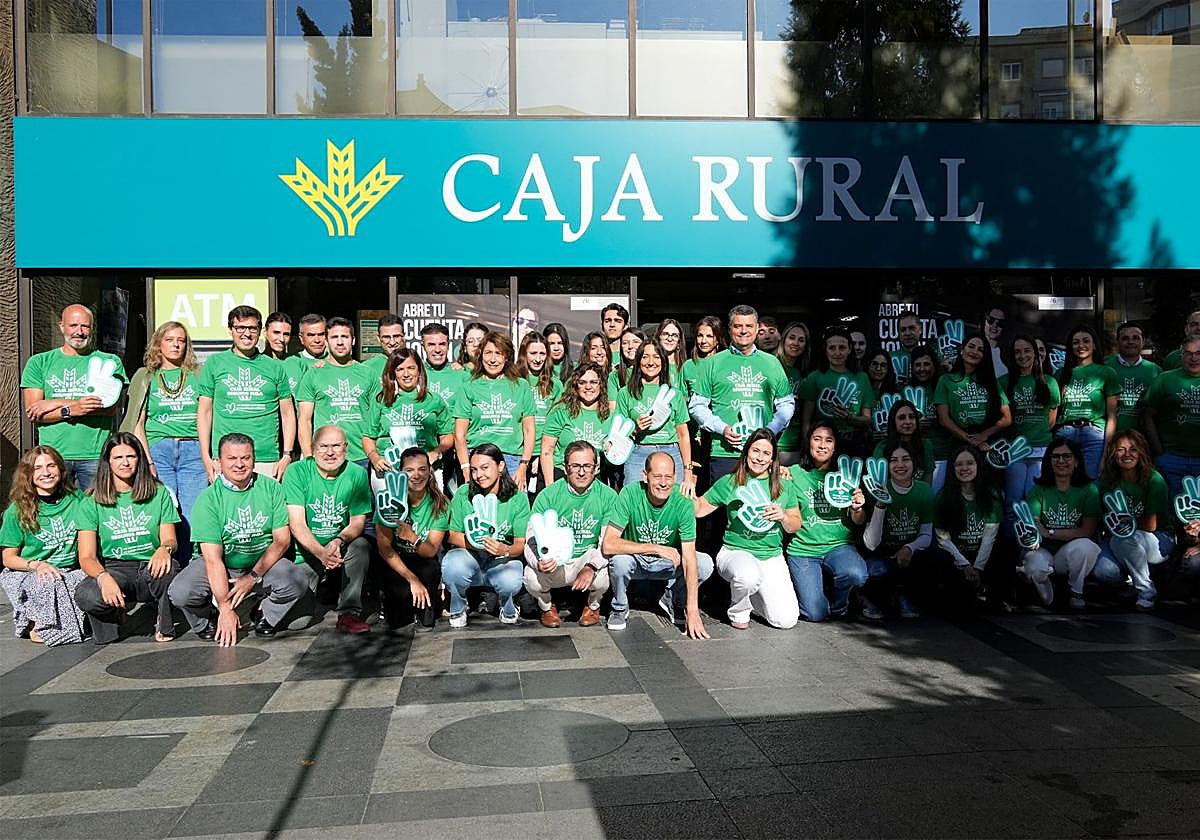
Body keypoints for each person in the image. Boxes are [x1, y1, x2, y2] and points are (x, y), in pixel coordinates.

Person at [169, 433, 304, 644]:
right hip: (221, 563)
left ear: (253, 459)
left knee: (296, 580)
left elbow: (282, 541)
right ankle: (208, 618)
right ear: (218, 462)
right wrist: (224, 607)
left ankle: (264, 613)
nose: (239, 464)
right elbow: (213, 559)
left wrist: (252, 577)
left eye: (246, 458)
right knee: (180, 592)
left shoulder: (272, 488)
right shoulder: (208, 499)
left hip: (261, 562)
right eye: (232, 459)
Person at [74, 434, 180, 644]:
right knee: (87, 594)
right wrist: (103, 578)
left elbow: (170, 539)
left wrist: (164, 549)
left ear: (139, 459)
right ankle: (113, 617)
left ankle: (165, 623)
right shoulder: (91, 501)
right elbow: (86, 557)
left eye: (131, 456)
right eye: (118, 457)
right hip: (114, 568)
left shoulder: (158, 493)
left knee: (171, 569)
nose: (125, 462)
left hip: (150, 564)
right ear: (108, 461)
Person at [693, 429, 802, 629]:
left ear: (772, 459)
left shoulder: (783, 484)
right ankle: (739, 611)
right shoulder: (730, 481)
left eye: (766, 453)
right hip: (736, 552)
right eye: (755, 451)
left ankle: (755, 601)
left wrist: (784, 516)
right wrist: (684, 494)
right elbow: (699, 508)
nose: (759, 458)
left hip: (771, 556)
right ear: (746, 452)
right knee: (747, 575)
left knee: (786, 620)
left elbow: (795, 524)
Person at [123, 320, 207, 562]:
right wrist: (148, 462)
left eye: (181, 340)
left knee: (193, 513)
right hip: (159, 449)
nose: (176, 345)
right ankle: (170, 567)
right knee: (167, 510)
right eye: (170, 340)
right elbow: (137, 422)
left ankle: (193, 568)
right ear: (158, 344)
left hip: (193, 449)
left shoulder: (198, 374)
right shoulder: (145, 376)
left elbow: (208, 414)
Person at [604, 452, 712, 638]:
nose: (663, 483)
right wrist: (655, 547)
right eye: (657, 476)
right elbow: (609, 544)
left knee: (704, 564)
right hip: (635, 560)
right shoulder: (630, 493)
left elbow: (689, 557)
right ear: (645, 476)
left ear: (675, 477)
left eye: (668, 477)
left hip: (668, 563)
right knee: (619, 561)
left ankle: (675, 600)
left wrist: (693, 610)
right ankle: (619, 607)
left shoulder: (683, 502)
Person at [21, 304, 128, 490]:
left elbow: (111, 406)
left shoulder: (109, 362)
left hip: (95, 455)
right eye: (73, 326)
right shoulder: (39, 362)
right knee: (57, 515)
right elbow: (34, 412)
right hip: (53, 457)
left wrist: (52, 403)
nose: (79, 332)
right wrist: (71, 408)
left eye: (85, 326)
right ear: (61, 326)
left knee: (96, 513)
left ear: (92, 329)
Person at [690, 305, 794, 483]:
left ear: (756, 329)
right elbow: (697, 405)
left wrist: (770, 431)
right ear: (729, 329)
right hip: (724, 453)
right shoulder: (713, 363)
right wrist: (721, 428)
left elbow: (786, 404)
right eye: (738, 326)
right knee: (723, 508)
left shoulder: (772, 363)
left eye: (749, 326)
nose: (744, 331)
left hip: (763, 454)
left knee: (761, 507)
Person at [284, 425, 372, 634]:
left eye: (335, 446)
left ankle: (349, 612)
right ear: (313, 449)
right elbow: (297, 524)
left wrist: (339, 540)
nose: (330, 452)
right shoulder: (297, 471)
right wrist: (321, 553)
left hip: (339, 549)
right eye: (323, 446)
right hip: (306, 552)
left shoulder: (357, 473)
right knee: (296, 623)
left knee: (361, 546)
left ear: (346, 448)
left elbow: (357, 522)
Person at [0, 446, 89, 645]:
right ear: (28, 474)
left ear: (61, 469)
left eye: (51, 465)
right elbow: (8, 558)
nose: (46, 472)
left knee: (86, 580)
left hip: (70, 569)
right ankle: (40, 624)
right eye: (38, 468)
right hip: (29, 571)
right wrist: (37, 565)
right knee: (48, 582)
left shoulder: (78, 500)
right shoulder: (16, 510)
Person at [197, 306, 295, 482]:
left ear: (260, 331)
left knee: (266, 509)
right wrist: (206, 456)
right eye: (240, 328)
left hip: (266, 458)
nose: (247, 334)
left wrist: (287, 454)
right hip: (226, 458)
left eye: (252, 328)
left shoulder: (274, 367)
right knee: (227, 509)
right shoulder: (214, 364)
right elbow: (205, 412)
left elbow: (287, 413)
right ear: (230, 330)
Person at [524, 441, 615, 628]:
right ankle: (547, 607)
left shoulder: (608, 496)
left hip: (587, 557)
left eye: (587, 466)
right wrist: (539, 562)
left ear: (596, 468)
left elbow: (608, 541)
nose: (581, 472)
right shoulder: (549, 495)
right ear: (565, 468)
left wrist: (591, 566)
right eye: (575, 466)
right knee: (531, 577)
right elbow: (530, 538)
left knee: (607, 573)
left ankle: (593, 605)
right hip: (556, 561)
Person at [784, 423, 869, 622]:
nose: (822, 445)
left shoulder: (847, 475)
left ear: (835, 446)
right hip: (803, 550)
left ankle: (840, 604)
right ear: (808, 443)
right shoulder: (793, 473)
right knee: (815, 614)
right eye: (817, 439)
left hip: (838, 547)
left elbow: (859, 521)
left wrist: (857, 508)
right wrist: (778, 473)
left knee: (856, 574)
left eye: (829, 440)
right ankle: (816, 595)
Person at [442, 444, 531, 628]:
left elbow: (520, 543)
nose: (478, 475)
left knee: (511, 580)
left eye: (484, 468)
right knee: (452, 565)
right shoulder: (463, 493)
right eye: (474, 470)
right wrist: (476, 543)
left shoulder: (517, 497)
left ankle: (507, 604)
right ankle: (458, 606)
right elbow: (452, 535)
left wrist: (504, 549)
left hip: (501, 558)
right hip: (470, 555)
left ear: (500, 466)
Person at [1093, 431, 1173, 610]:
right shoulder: (1107, 482)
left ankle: (1146, 590)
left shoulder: (1154, 479)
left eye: (1133, 449)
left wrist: (1123, 523)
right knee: (1103, 571)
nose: (1127, 454)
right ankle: (1129, 585)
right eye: (1120, 450)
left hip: (1158, 538)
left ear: (1142, 452)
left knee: (1125, 537)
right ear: (1113, 454)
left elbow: (1151, 525)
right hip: (1119, 538)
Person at [1020, 438, 1102, 610]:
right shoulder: (1038, 489)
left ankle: (1076, 591)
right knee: (1034, 565)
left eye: (1067, 456)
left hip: (1070, 551)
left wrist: (1049, 532)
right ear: (1048, 462)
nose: (1061, 461)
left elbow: (1086, 531)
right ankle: (1048, 592)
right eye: (1055, 457)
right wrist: (1038, 533)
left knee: (1086, 547)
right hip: (1044, 550)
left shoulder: (1089, 490)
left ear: (1077, 461)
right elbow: (1033, 525)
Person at [375, 448, 450, 630]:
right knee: (396, 621)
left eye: (422, 469)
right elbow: (385, 549)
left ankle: (427, 602)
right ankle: (393, 601)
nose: (416, 475)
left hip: (423, 560)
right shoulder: (387, 501)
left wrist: (412, 537)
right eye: (409, 470)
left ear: (429, 472)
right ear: (400, 473)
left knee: (427, 621)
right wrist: (412, 580)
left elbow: (431, 550)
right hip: (396, 561)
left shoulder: (439, 503)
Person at [452, 331, 536, 490]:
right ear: (480, 355)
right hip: (476, 460)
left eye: (498, 353)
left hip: (511, 461)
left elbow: (529, 429)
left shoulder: (521, 386)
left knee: (512, 511)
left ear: (507, 357)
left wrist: (523, 465)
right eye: (488, 353)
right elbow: (459, 434)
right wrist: (465, 467)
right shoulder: (468, 386)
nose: (492, 359)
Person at [862, 442, 936, 619]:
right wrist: (880, 505)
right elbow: (871, 543)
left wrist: (910, 547)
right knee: (876, 569)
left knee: (932, 563)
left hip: (912, 550)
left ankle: (905, 595)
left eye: (905, 459)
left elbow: (927, 533)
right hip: (883, 549)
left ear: (914, 464)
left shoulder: (924, 490)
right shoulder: (878, 489)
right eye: (893, 460)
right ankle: (872, 598)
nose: (900, 465)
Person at [363, 348, 453, 490]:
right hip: (388, 470)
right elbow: (368, 437)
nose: (406, 374)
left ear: (419, 371)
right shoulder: (381, 400)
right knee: (392, 512)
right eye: (400, 369)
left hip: (426, 470)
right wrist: (374, 457)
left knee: (430, 511)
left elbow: (447, 437)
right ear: (392, 373)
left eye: (411, 368)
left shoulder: (434, 400)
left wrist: (436, 452)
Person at [933, 331, 1011, 493]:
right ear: (962, 349)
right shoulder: (946, 380)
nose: (974, 352)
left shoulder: (991, 382)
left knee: (987, 492)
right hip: (958, 443)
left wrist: (984, 436)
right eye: (971, 346)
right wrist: (970, 440)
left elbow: (1007, 418)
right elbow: (944, 420)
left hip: (987, 445)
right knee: (958, 493)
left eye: (980, 349)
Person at [614, 339, 694, 491]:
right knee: (634, 502)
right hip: (638, 453)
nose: (651, 362)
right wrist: (636, 429)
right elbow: (618, 436)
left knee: (673, 504)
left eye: (656, 357)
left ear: (663, 362)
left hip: (671, 452)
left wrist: (688, 472)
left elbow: (683, 434)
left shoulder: (674, 394)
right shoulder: (625, 393)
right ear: (638, 361)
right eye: (645, 357)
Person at [297, 317, 376, 465]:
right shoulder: (313, 374)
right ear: (326, 342)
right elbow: (304, 420)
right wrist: (309, 457)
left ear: (353, 340)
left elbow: (377, 416)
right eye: (334, 337)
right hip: (325, 457)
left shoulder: (368, 373)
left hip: (362, 455)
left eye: (344, 337)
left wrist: (374, 453)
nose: (340, 342)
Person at [934, 445, 1004, 608]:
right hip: (956, 556)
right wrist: (965, 565)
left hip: (982, 555)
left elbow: (989, 537)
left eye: (970, 463)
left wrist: (978, 568)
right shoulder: (943, 497)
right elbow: (943, 539)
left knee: (1004, 550)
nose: (964, 468)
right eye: (959, 464)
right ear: (952, 469)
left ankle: (996, 596)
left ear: (978, 466)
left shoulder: (991, 495)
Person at [1004, 334, 1061, 515]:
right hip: (1015, 451)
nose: (1022, 356)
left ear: (1036, 353)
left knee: (1033, 501)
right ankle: (1011, 540)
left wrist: (1037, 433)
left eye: (1027, 351)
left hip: (1041, 450)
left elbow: (1051, 419)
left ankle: (1032, 541)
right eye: (1017, 352)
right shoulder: (1004, 382)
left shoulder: (1050, 382)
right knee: (1013, 500)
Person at [1055, 324, 1118, 480]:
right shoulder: (1060, 374)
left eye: (1086, 341)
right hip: (1065, 433)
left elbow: (1112, 416)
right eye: (1076, 342)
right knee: (1064, 483)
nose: (1081, 345)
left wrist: (1107, 450)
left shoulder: (1107, 373)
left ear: (1094, 345)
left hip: (1094, 434)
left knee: (1091, 483)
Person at [799, 327, 873, 455]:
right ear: (825, 350)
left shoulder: (862, 377)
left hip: (854, 443)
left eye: (842, 348)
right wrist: (807, 447)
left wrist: (850, 418)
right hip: (822, 445)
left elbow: (867, 419)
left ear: (850, 349)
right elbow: (806, 421)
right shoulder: (814, 377)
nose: (837, 352)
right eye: (832, 348)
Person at [1142, 335, 1200, 499]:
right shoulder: (1165, 379)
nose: (1193, 358)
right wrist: (1160, 453)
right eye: (1188, 353)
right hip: (1171, 458)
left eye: (1198, 353)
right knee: (1170, 511)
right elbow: (1147, 417)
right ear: (1181, 355)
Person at [541, 362, 613, 486]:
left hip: (595, 477)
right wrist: (550, 486)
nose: (588, 387)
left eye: (594, 382)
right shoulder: (561, 411)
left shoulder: (610, 416)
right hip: (563, 475)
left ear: (601, 385)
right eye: (582, 382)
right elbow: (547, 450)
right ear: (575, 385)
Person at [518, 333, 564, 494]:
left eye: (542, 353)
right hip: (518, 453)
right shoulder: (515, 380)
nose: (538, 359)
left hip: (544, 455)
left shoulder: (556, 385)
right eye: (533, 353)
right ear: (524, 354)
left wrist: (540, 456)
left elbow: (556, 424)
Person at [1105, 322, 1161, 434]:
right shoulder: (1104, 366)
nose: (1130, 342)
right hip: (1109, 435)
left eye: (1135, 338)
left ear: (1143, 342)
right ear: (1117, 342)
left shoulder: (1156, 371)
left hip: (1145, 436)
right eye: (1125, 338)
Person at [775, 321, 811, 466]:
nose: (796, 343)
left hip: (794, 442)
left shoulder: (803, 372)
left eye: (801, 340)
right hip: (772, 439)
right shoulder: (772, 364)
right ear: (783, 339)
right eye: (792, 337)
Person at [873, 399, 935, 484]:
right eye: (902, 418)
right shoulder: (882, 447)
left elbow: (928, 480)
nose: (908, 422)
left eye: (912, 417)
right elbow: (878, 482)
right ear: (893, 421)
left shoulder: (926, 445)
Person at [421, 322, 468, 423]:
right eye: (431, 345)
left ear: (448, 345)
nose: (437, 350)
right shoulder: (414, 375)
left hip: (453, 436)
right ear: (423, 346)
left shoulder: (462, 375)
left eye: (442, 344)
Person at [680, 316, 725, 399]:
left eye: (709, 336)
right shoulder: (688, 366)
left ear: (718, 339)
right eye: (700, 336)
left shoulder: (725, 364)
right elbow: (683, 398)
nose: (703, 341)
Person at [283, 313, 329, 394]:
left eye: (321, 334)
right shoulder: (293, 362)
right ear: (301, 338)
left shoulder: (336, 361)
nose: (317, 340)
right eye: (311, 335)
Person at [363, 313, 406, 381]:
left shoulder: (415, 365)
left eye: (396, 336)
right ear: (379, 338)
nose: (392, 342)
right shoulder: (367, 368)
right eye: (386, 337)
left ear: (404, 337)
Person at [908, 344, 941, 432]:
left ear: (934, 366)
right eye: (918, 365)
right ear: (912, 368)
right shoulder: (904, 390)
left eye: (926, 364)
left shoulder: (945, 386)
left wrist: (935, 422)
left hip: (943, 442)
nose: (922, 369)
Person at [608, 327, 646, 396]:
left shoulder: (652, 372)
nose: (630, 346)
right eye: (625, 343)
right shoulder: (614, 376)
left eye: (636, 342)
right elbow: (613, 405)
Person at [890, 311, 924, 385]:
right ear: (898, 333)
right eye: (903, 330)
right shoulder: (889, 358)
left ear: (920, 330)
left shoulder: (931, 357)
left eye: (912, 328)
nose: (907, 333)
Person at [654, 318, 688, 383]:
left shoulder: (686, 367)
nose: (670, 339)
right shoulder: (651, 365)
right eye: (665, 334)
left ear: (679, 341)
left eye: (675, 335)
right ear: (658, 337)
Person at [982, 303, 1009, 378]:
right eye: (991, 320)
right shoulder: (972, 347)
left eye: (1000, 323)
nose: (995, 325)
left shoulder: (1008, 354)